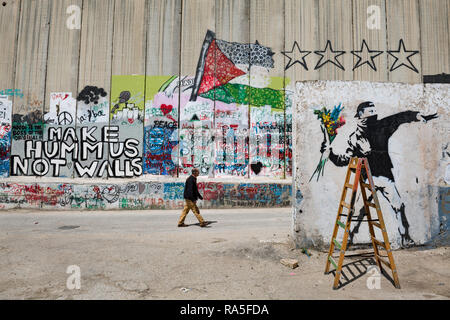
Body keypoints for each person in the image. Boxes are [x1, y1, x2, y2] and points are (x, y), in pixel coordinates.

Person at [321, 101, 437, 248]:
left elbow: (400, 117)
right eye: (370, 111)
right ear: (361, 114)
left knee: (398, 206)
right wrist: (329, 153)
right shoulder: (354, 137)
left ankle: (405, 238)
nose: (373, 113)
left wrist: (417, 116)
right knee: (354, 209)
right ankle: (345, 239)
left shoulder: (383, 126)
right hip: (366, 179)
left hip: (385, 176)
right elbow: (344, 160)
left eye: (374, 110)